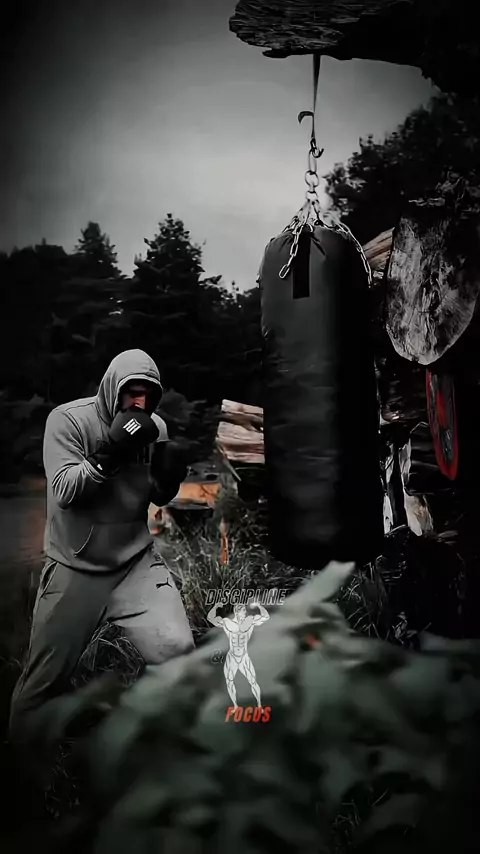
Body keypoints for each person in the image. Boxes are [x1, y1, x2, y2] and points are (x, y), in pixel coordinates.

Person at [9, 349, 194, 763]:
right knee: (42, 684)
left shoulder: (156, 428)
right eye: (131, 393)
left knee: (177, 650)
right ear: (112, 389)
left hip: (135, 563)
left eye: (148, 395)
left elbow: (155, 496)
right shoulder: (68, 420)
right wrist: (110, 451)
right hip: (75, 567)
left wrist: (169, 480)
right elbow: (64, 492)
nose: (139, 403)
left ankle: (153, 747)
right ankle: (20, 769)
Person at [207, 600, 269, 708]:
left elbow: (265, 617)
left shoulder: (249, 621)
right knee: (229, 681)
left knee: (253, 681)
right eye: (242, 610)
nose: (245, 612)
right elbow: (211, 618)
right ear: (236, 612)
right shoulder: (228, 622)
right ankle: (235, 706)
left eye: (245, 610)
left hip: (244, 656)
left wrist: (259, 606)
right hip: (232, 656)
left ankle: (259, 705)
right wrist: (215, 607)